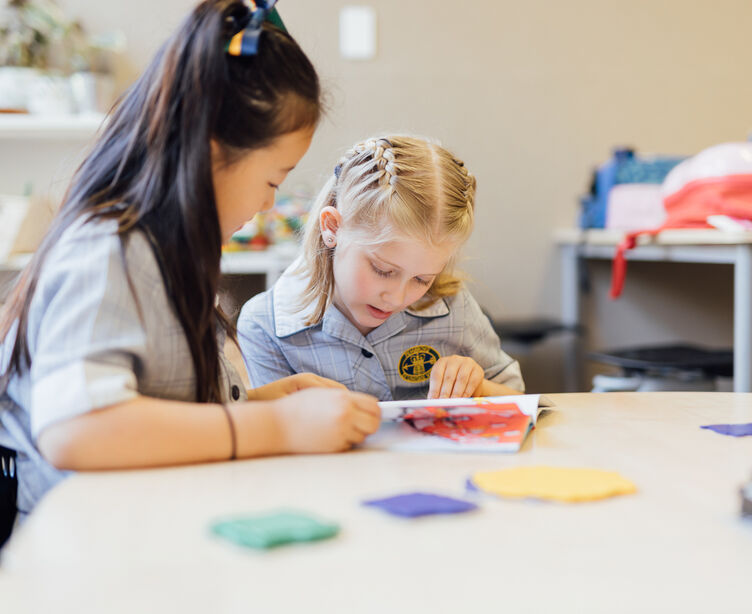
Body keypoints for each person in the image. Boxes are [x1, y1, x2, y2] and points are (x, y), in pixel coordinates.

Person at [0, 0, 381, 545]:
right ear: (210, 151)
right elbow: (77, 429)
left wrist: (256, 402)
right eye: (273, 180)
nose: (270, 205)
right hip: (84, 553)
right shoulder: (108, 248)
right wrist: (276, 428)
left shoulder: (165, 251)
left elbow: (155, 405)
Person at [238, 135, 524, 402]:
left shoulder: (453, 307)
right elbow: (274, 435)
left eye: (422, 279)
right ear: (332, 228)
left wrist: (477, 386)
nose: (397, 298)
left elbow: (517, 397)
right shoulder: (266, 325)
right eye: (383, 270)